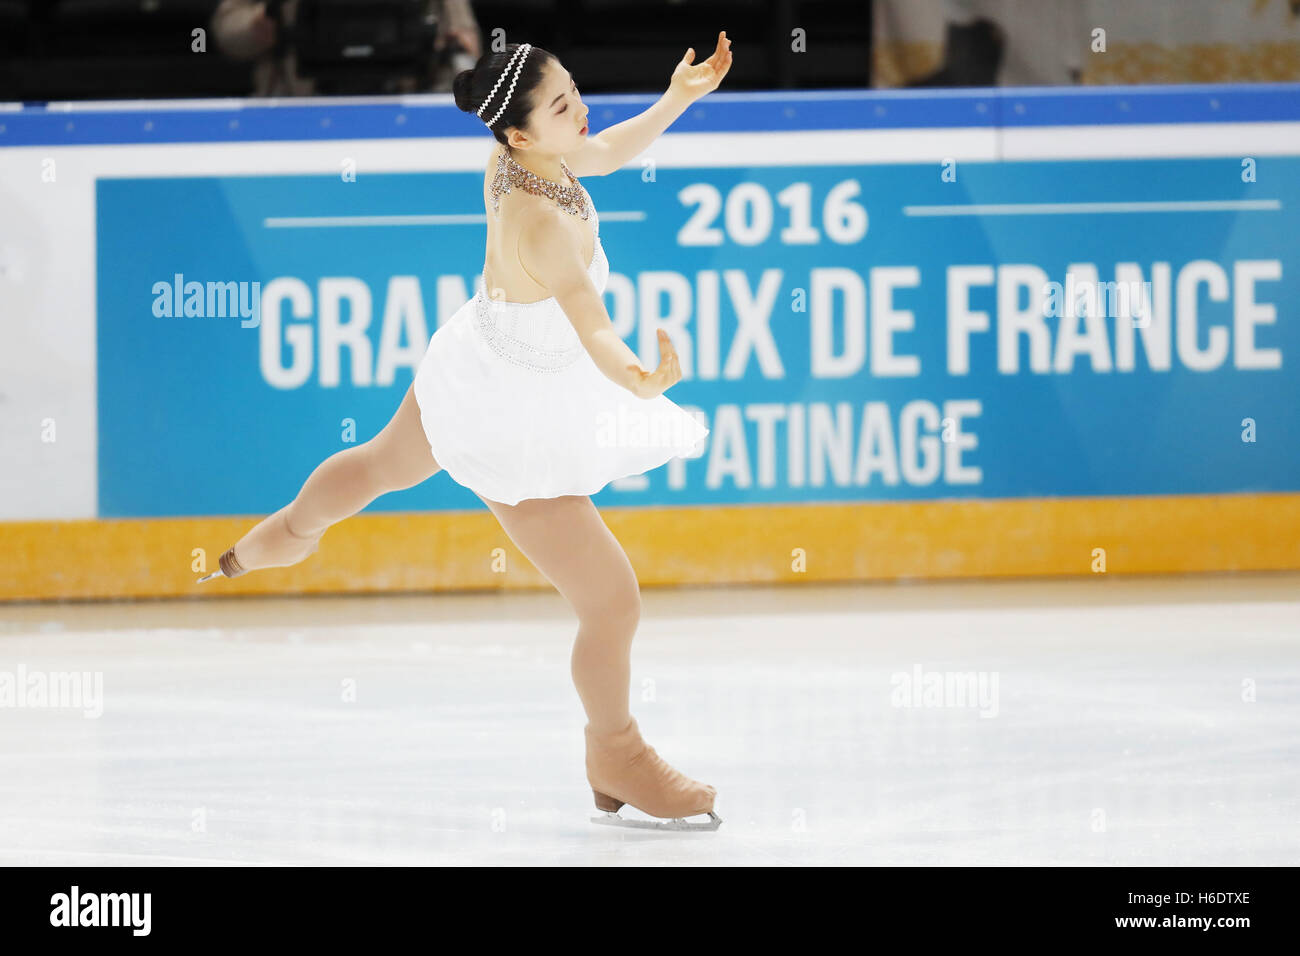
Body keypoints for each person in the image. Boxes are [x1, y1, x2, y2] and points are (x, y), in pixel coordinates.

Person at [200, 34, 735, 830]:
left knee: (384, 462)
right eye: (562, 106)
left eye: (574, 90)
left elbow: (606, 151)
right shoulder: (541, 225)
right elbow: (592, 327)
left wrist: (678, 98)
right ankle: (615, 750)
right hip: (514, 412)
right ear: (520, 133)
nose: (581, 110)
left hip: (483, 356)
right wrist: (637, 378)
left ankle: (277, 537)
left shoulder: (521, 160)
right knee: (612, 601)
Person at [211, 0, 482, 96]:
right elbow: (227, 31)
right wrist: (257, 27)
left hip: (402, 98)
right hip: (296, 102)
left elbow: (466, 43)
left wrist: (446, 44)